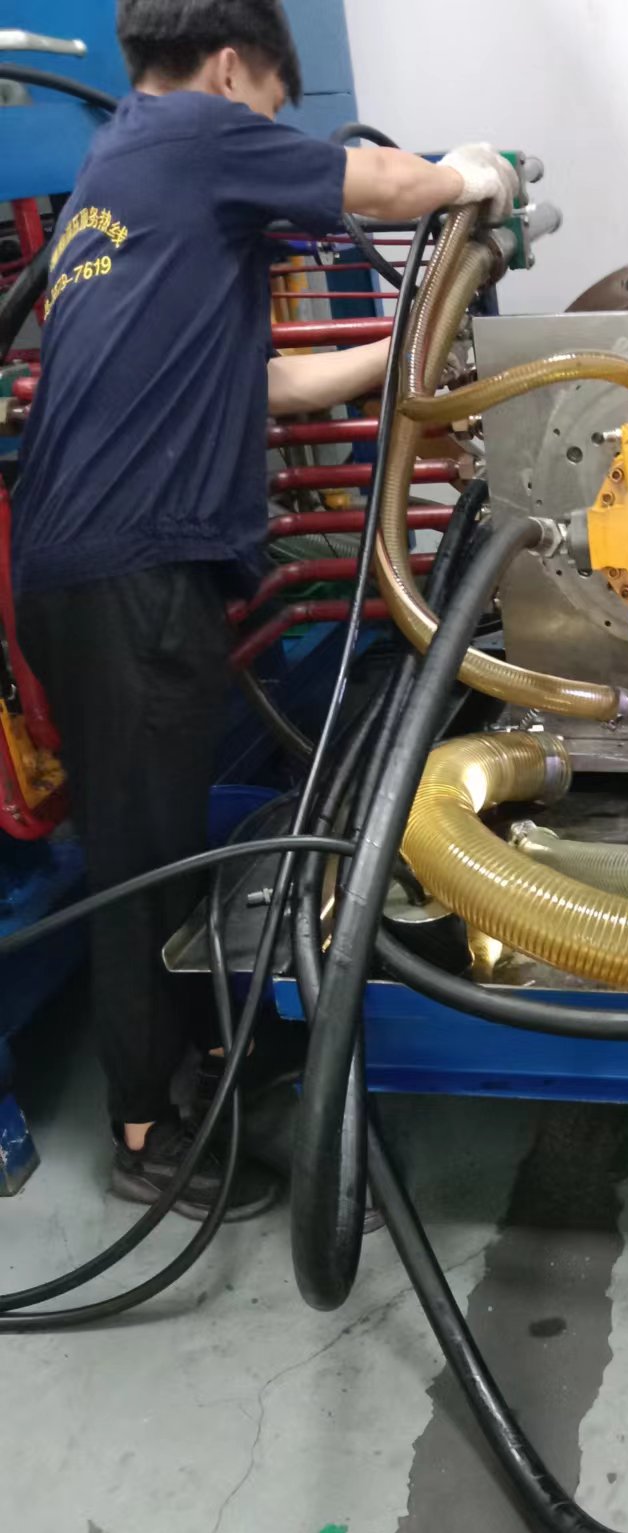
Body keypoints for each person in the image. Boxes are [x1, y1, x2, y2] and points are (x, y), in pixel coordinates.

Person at [11, 0, 518, 1221]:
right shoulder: (190, 131)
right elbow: (388, 185)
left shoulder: (116, 179)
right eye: (276, 113)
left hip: (97, 568)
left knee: (160, 832)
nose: (274, 136)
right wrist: (473, 176)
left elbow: (267, 379)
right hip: (132, 570)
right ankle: (147, 1128)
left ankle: (197, 1058)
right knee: (141, 856)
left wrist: (410, 359)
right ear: (234, 68)